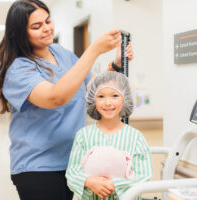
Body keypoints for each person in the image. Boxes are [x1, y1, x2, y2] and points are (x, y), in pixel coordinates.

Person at [0, 0, 133, 199]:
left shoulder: (62, 53)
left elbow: (92, 88)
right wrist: (94, 49)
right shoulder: (19, 68)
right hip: (37, 167)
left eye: (48, 21)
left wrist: (115, 65)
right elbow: (55, 97)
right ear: (21, 32)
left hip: (71, 162)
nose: (46, 29)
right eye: (36, 26)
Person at [66, 71, 153, 200]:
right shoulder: (83, 136)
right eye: (101, 96)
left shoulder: (136, 138)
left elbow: (144, 176)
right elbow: (72, 173)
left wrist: (114, 184)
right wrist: (89, 182)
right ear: (92, 99)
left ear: (125, 98)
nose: (107, 102)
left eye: (114, 96)